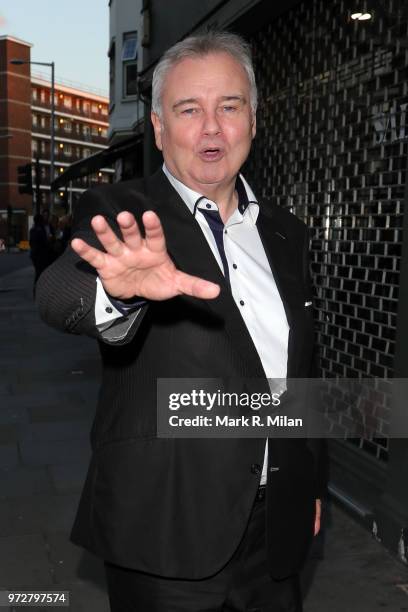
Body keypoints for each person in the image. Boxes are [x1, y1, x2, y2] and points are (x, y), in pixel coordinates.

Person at [36, 31, 325, 612]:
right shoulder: (119, 212)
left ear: (253, 118)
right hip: (163, 525)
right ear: (160, 128)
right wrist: (117, 294)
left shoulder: (286, 232)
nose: (212, 128)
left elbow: (302, 370)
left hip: (275, 527)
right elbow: (59, 293)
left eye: (230, 106)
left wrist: (310, 480)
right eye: (189, 109)